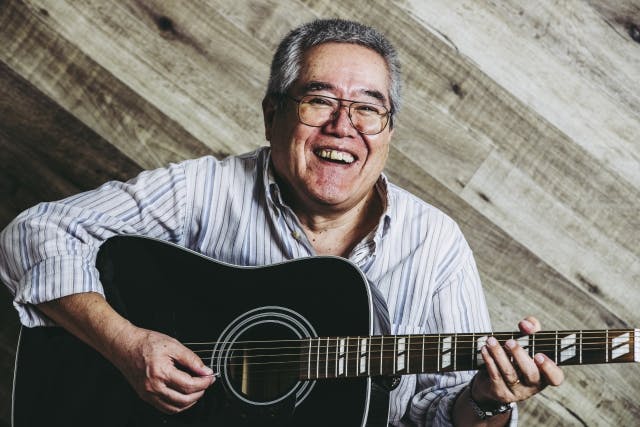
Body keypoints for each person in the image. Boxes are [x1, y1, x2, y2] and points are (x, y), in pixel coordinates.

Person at [0, 18, 563, 426]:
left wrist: (487, 400)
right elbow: (34, 233)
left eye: (369, 109)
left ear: (388, 132)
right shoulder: (207, 189)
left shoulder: (436, 246)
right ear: (273, 116)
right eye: (319, 101)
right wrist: (126, 344)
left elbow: (438, 416)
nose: (343, 127)